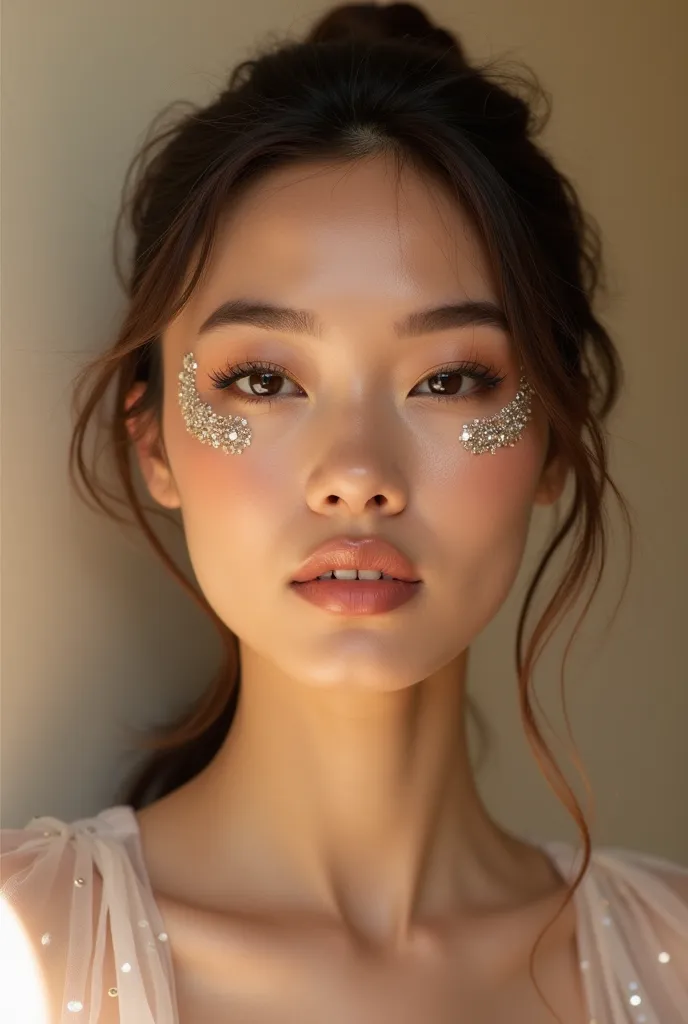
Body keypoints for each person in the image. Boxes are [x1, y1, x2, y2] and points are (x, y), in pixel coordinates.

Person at [1, 3, 687, 1022]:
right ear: (152, 441)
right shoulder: (24, 948)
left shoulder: (669, 952)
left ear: (553, 433)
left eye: (450, 377)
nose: (356, 473)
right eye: (266, 380)